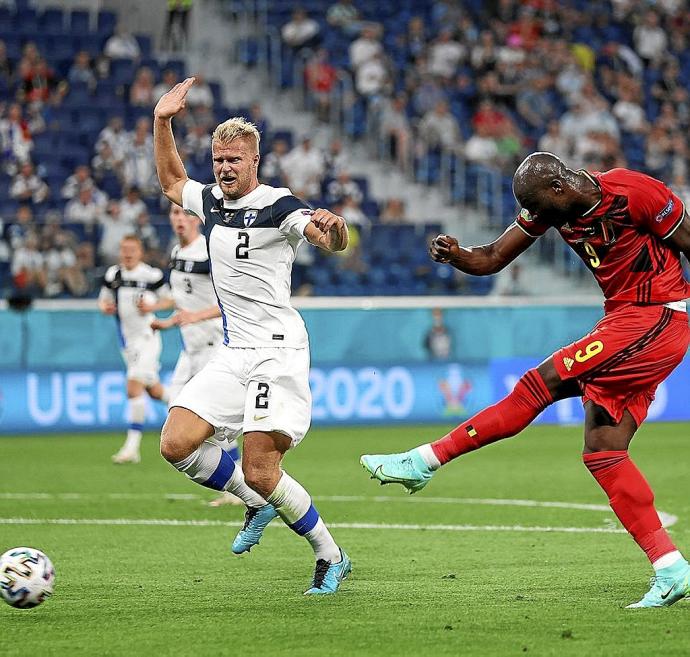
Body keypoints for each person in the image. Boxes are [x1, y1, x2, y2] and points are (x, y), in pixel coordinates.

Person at [361, 152, 690, 609]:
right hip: (625, 322)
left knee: (541, 383)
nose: (536, 219)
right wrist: (457, 255)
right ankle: (670, 567)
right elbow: (494, 256)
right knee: (604, 450)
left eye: (539, 209)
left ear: (559, 188)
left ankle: (424, 461)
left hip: (654, 317)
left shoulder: (634, 193)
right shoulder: (550, 207)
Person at [153, 78, 351, 594]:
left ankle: (330, 555)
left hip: (277, 352)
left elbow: (325, 237)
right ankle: (255, 503)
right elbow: (174, 181)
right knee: (176, 443)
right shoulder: (212, 201)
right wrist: (162, 120)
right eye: (218, 160)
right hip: (233, 352)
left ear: (254, 160)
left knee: (263, 468)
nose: (224, 168)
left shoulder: (278, 204)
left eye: (233, 160)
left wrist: (335, 229)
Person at [142, 202, 242, 507]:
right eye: (174, 213)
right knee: (176, 410)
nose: (179, 219)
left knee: (211, 425)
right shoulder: (176, 253)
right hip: (190, 349)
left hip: (213, 346)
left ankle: (236, 485)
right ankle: (234, 481)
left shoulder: (208, 252)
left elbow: (230, 299)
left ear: (197, 219)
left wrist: (195, 317)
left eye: (185, 214)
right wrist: (167, 318)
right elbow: (183, 300)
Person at [98, 235, 170, 464]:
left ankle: (132, 448)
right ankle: (184, 405)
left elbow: (171, 300)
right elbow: (103, 301)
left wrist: (153, 306)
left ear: (140, 252)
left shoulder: (151, 275)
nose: (128, 253)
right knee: (154, 391)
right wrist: (105, 307)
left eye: (132, 249)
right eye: (124, 249)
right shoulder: (113, 275)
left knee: (132, 387)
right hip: (127, 343)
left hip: (148, 338)